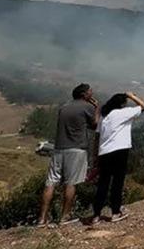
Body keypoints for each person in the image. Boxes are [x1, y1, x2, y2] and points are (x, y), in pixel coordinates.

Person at [38, 83, 99, 227]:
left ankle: (41, 219)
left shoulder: (63, 107)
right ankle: (65, 217)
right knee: (71, 183)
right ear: (84, 95)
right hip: (76, 149)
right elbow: (95, 125)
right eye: (90, 92)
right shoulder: (87, 107)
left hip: (58, 148)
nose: (92, 94)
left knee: (50, 183)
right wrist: (97, 108)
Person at [92, 92, 144, 223]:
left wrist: (95, 155)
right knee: (117, 182)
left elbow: (97, 137)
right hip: (120, 151)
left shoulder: (104, 117)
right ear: (122, 104)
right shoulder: (124, 113)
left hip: (104, 152)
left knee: (103, 184)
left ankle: (96, 215)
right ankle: (115, 212)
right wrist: (132, 96)